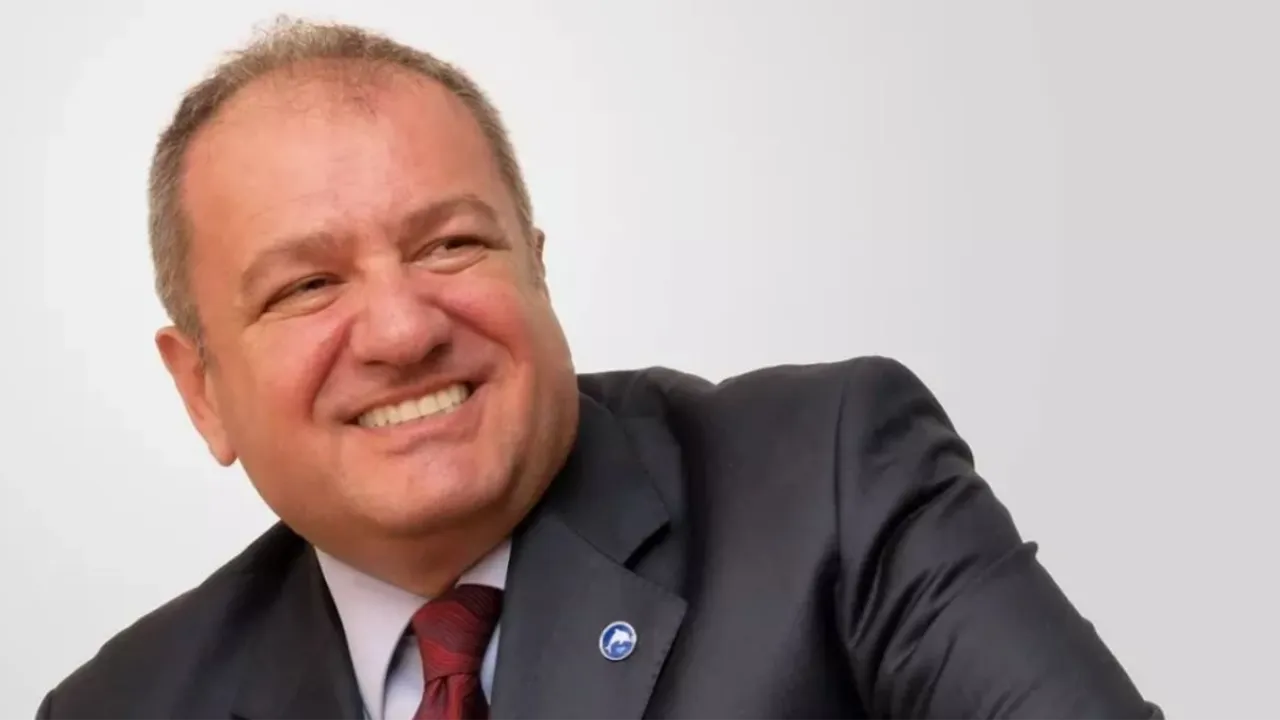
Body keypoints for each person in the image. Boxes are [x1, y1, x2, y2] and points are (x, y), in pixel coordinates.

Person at [36, 17, 1163, 720]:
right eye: (307, 286)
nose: (401, 330)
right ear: (201, 390)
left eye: (450, 244)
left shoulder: (833, 484)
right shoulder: (120, 708)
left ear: (537, 269)